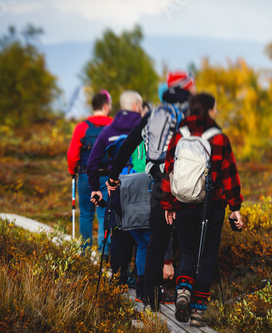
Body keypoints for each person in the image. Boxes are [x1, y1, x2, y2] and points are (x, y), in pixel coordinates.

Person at [107, 70, 197, 310]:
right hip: (184, 184)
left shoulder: (153, 115)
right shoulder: (187, 114)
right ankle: (188, 295)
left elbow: (128, 145)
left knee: (157, 240)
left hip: (157, 183)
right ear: (187, 88)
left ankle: (149, 294)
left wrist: (113, 176)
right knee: (187, 243)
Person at [161, 93, 244, 327]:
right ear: (209, 109)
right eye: (215, 107)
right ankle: (197, 312)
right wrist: (235, 207)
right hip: (213, 206)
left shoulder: (179, 135)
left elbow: (169, 170)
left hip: (185, 205)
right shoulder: (219, 138)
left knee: (187, 252)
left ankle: (183, 291)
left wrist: (169, 204)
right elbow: (229, 176)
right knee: (206, 257)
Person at [87, 90, 148, 293]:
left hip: (118, 186)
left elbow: (92, 162)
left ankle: (118, 275)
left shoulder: (108, 130)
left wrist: (96, 188)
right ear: (136, 106)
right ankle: (139, 278)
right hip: (143, 187)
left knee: (119, 230)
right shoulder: (146, 128)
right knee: (141, 233)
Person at [67, 90, 113, 254]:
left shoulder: (82, 128)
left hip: (86, 176)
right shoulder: (113, 126)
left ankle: (84, 253)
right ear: (106, 106)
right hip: (108, 177)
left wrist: (73, 171)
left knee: (86, 214)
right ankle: (104, 254)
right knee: (103, 215)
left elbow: (72, 155)